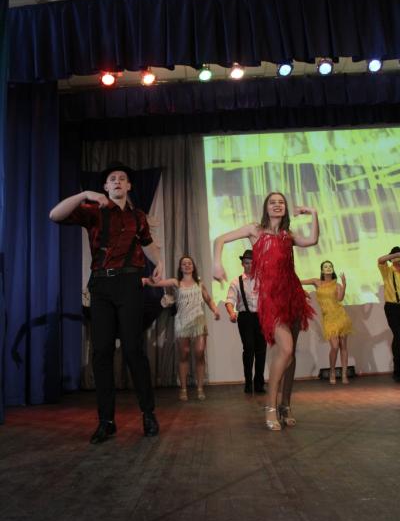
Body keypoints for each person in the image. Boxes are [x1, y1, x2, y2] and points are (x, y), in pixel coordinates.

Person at [49, 161, 163, 444]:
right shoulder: (94, 210)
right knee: (101, 352)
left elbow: (147, 243)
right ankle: (106, 421)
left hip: (130, 283)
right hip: (101, 285)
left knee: (134, 350)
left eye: (122, 178)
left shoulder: (138, 216)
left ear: (129, 186)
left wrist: (160, 262)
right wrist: (84, 194)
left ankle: (148, 414)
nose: (117, 181)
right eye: (112, 179)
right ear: (105, 186)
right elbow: (54, 215)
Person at [213, 192, 319, 431]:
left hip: (292, 295)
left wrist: (313, 213)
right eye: (273, 202)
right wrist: (216, 263)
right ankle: (270, 406)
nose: (277, 205)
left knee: (290, 356)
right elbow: (219, 239)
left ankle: (286, 405)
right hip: (271, 299)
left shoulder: (288, 235)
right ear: (266, 207)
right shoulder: (255, 230)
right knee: (286, 349)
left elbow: (312, 240)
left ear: (285, 208)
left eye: (281, 202)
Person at [146, 256, 219, 401]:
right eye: (184, 264)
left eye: (189, 263)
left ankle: (200, 388)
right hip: (182, 322)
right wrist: (148, 280)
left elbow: (209, 300)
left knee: (199, 352)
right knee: (184, 354)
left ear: (193, 266)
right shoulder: (176, 282)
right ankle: (183, 389)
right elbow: (157, 283)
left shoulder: (199, 283)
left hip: (198, 320)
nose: (187, 265)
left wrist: (215, 310)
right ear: (180, 267)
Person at [301, 261, 352, 385]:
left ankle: (344, 374)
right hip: (328, 318)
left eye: (330, 266)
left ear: (333, 269)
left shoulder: (337, 284)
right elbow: (298, 282)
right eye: (325, 266)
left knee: (343, 346)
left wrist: (344, 285)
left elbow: (340, 299)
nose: (328, 268)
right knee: (334, 346)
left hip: (341, 316)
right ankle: (332, 371)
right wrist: (303, 293)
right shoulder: (316, 282)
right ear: (322, 270)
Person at [225, 249, 266, 395]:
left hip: (261, 317)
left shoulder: (263, 279)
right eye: (247, 263)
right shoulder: (236, 282)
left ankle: (259, 383)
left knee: (261, 350)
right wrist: (231, 313)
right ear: (242, 264)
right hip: (245, 317)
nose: (250, 266)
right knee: (248, 348)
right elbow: (229, 301)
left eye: (252, 263)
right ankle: (248, 382)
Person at [377, 246, 400, 382]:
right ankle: (398, 371)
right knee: (398, 335)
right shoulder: (387, 271)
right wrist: (394, 255)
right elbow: (380, 260)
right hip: (392, 308)